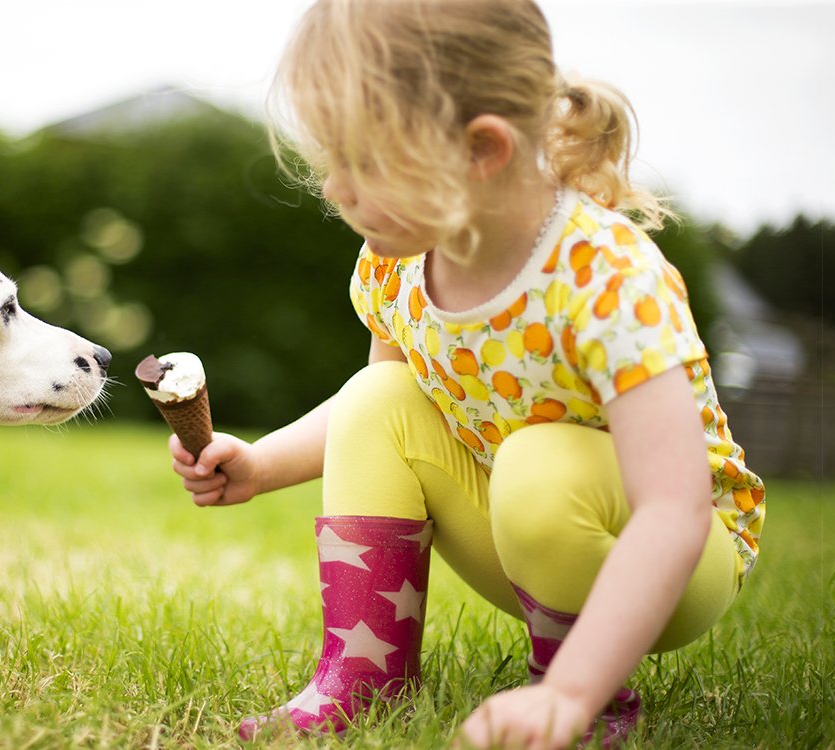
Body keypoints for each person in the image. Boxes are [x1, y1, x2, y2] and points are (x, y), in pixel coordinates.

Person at [164, 0, 766, 747]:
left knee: (538, 460)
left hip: (671, 559)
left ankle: (578, 694)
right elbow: (378, 418)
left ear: (482, 149)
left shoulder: (606, 277)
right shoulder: (398, 261)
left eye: (362, 162)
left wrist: (572, 692)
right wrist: (260, 463)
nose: (333, 189)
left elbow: (674, 513)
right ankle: (364, 677)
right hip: (524, 535)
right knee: (380, 391)